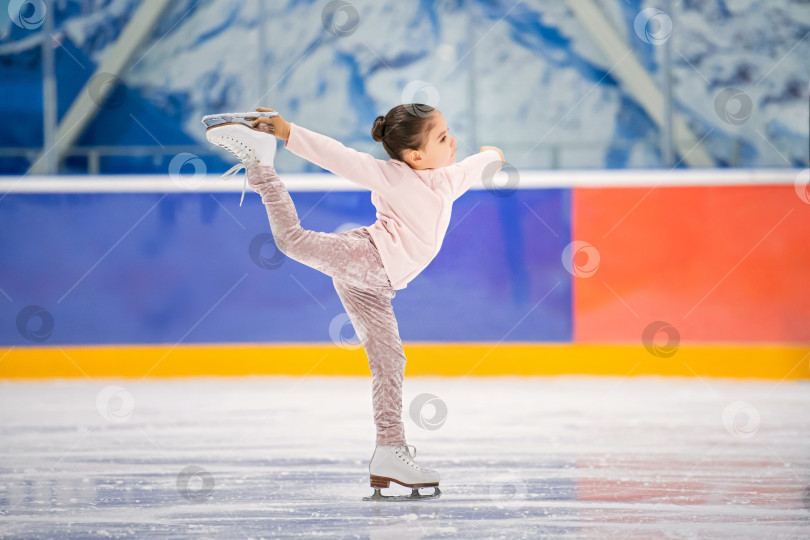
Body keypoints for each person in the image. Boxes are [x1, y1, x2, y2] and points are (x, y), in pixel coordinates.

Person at [204, 104, 504, 500]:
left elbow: (477, 164)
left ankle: (389, 452)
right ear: (414, 156)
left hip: (376, 286)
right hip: (366, 258)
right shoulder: (392, 177)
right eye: (444, 138)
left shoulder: (447, 180)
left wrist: (494, 157)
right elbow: (338, 156)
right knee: (291, 240)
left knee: (390, 361)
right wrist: (287, 130)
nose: (454, 142)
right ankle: (260, 163)